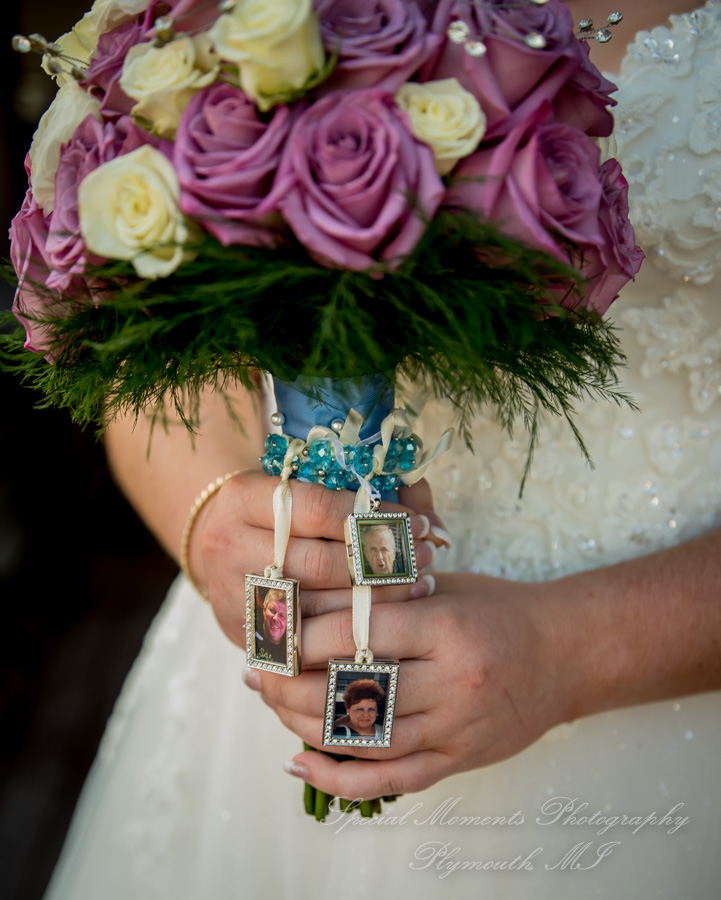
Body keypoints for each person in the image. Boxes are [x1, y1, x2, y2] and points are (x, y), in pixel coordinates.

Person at [43, 2, 721, 899]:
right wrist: (208, 515)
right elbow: (156, 352)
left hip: (663, 703)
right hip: (280, 666)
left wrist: (573, 653)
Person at [253, 588, 288, 665]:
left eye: (282, 616)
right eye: (272, 610)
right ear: (264, 610)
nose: (276, 618)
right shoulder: (253, 637)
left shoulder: (289, 650)